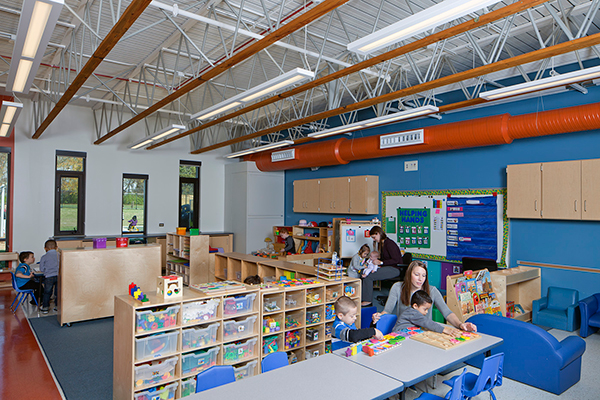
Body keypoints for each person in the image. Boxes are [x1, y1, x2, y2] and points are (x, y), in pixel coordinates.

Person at [373, 260, 477, 332]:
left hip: (425, 332)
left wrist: (460, 324)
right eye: (416, 275)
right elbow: (386, 311)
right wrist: (378, 316)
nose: (420, 279)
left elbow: (447, 313)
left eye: (423, 276)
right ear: (409, 274)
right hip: (405, 332)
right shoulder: (397, 287)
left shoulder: (432, 290)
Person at [361, 225, 403, 306]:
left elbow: (396, 260)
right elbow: (385, 259)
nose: (374, 240)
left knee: (369, 276)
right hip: (388, 267)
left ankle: (367, 301)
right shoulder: (383, 244)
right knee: (364, 272)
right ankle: (363, 297)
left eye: (374, 237)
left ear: (378, 233)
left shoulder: (390, 244)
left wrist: (381, 263)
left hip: (395, 269)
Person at [394, 290, 463, 336]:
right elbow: (426, 322)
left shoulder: (413, 311)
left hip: (407, 333)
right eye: (425, 309)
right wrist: (444, 330)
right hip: (399, 334)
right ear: (415, 306)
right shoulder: (413, 313)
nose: (426, 312)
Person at [39, 239, 59, 313]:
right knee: (58, 292)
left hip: (49, 276)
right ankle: (57, 307)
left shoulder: (44, 257)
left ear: (45, 248)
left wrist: (46, 271)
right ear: (56, 247)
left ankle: (45, 308)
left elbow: (41, 268)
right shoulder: (60, 255)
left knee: (47, 292)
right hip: (58, 276)